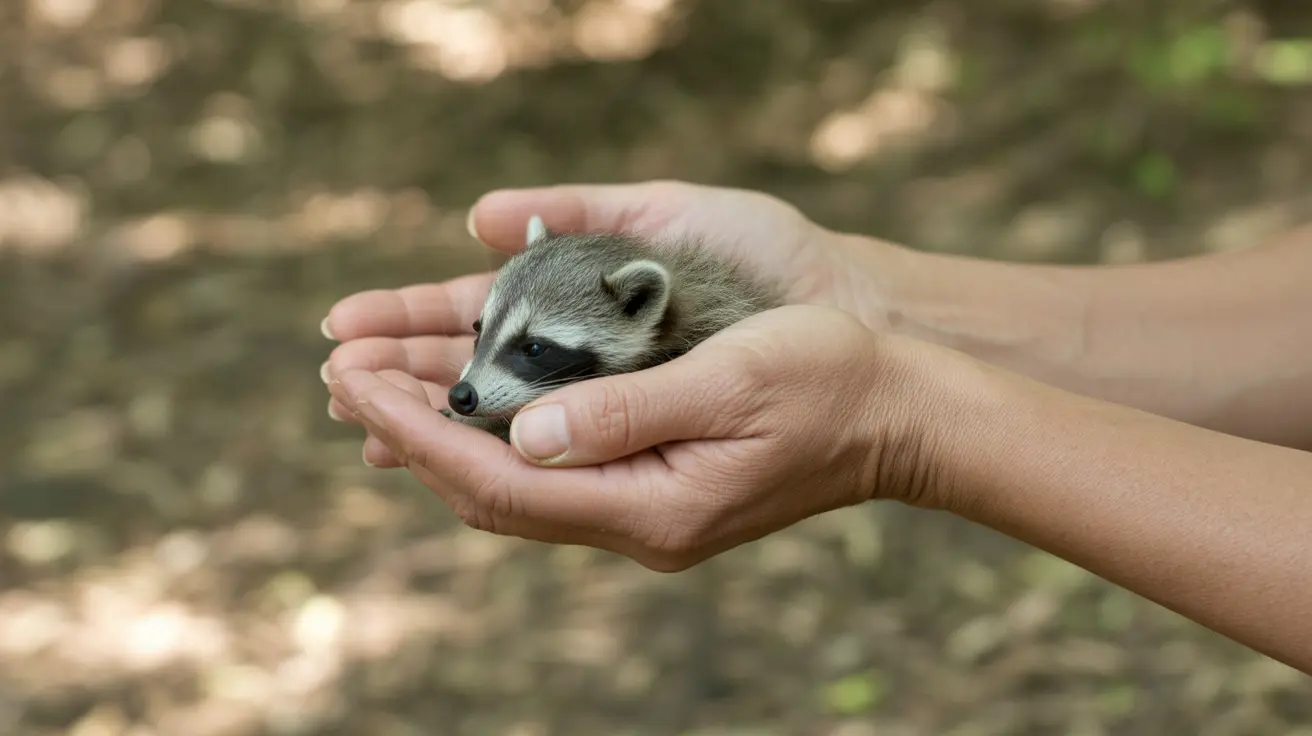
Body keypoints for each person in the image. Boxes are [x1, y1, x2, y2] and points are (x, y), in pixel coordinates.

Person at [319, 180, 1312, 674]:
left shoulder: (646, 304)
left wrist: (904, 421)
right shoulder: (637, 311)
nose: (471, 383)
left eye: (526, 353)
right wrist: (874, 308)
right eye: (487, 337)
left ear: (643, 308)